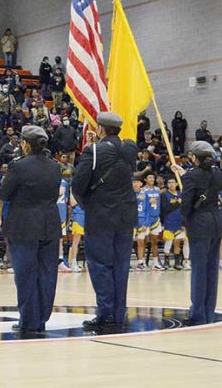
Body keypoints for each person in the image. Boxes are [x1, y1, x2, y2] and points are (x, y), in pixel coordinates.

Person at [71, 112, 138, 332]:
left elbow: (78, 186)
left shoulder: (94, 151)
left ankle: (105, 313)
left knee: (100, 266)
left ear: (100, 129)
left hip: (100, 216)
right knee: (121, 266)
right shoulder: (130, 148)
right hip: (125, 217)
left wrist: (87, 205)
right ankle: (119, 313)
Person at [0, 125, 61, 335]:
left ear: (25, 144)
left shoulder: (18, 166)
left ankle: (29, 320)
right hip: (49, 225)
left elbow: (4, 194)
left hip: (23, 226)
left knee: (25, 274)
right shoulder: (55, 166)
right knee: (47, 274)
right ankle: (41, 318)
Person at [180, 141, 222, 325]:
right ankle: (209, 311)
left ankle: (198, 314)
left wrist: (184, 220)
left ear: (194, 158)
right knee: (211, 270)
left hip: (199, 224)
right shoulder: (217, 172)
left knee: (199, 270)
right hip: (216, 223)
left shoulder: (191, 176)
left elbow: (187, 203)